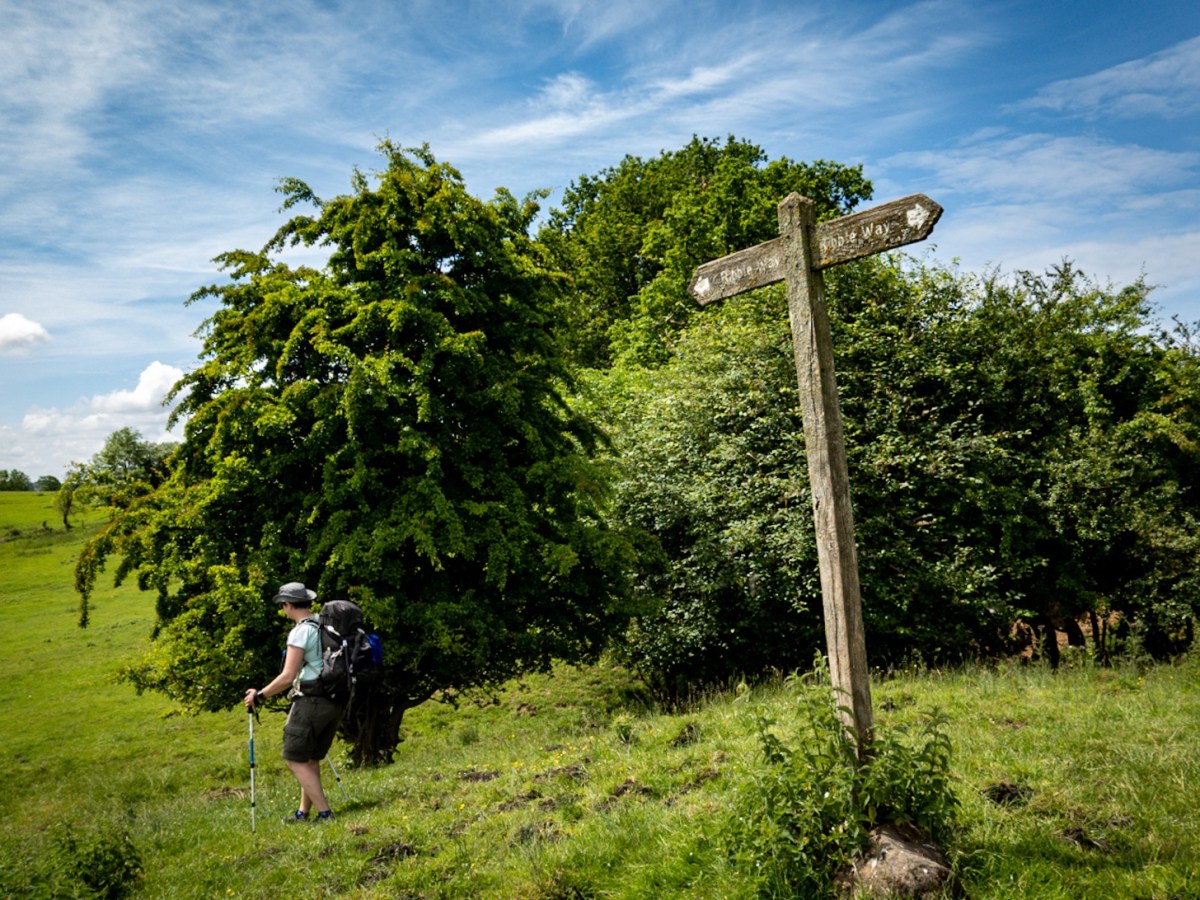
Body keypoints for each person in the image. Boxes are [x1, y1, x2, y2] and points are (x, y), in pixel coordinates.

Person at [243, 581, 345, 823]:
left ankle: (325, 813)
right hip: (334, 700)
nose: (284, 610)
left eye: (283, 606)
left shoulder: (300, 631)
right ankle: (303, 812)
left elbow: (288, 676)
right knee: (310, 758)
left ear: (288, 605)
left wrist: (259, 696)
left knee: (293, 758)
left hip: (311, 701)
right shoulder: (325, 623)